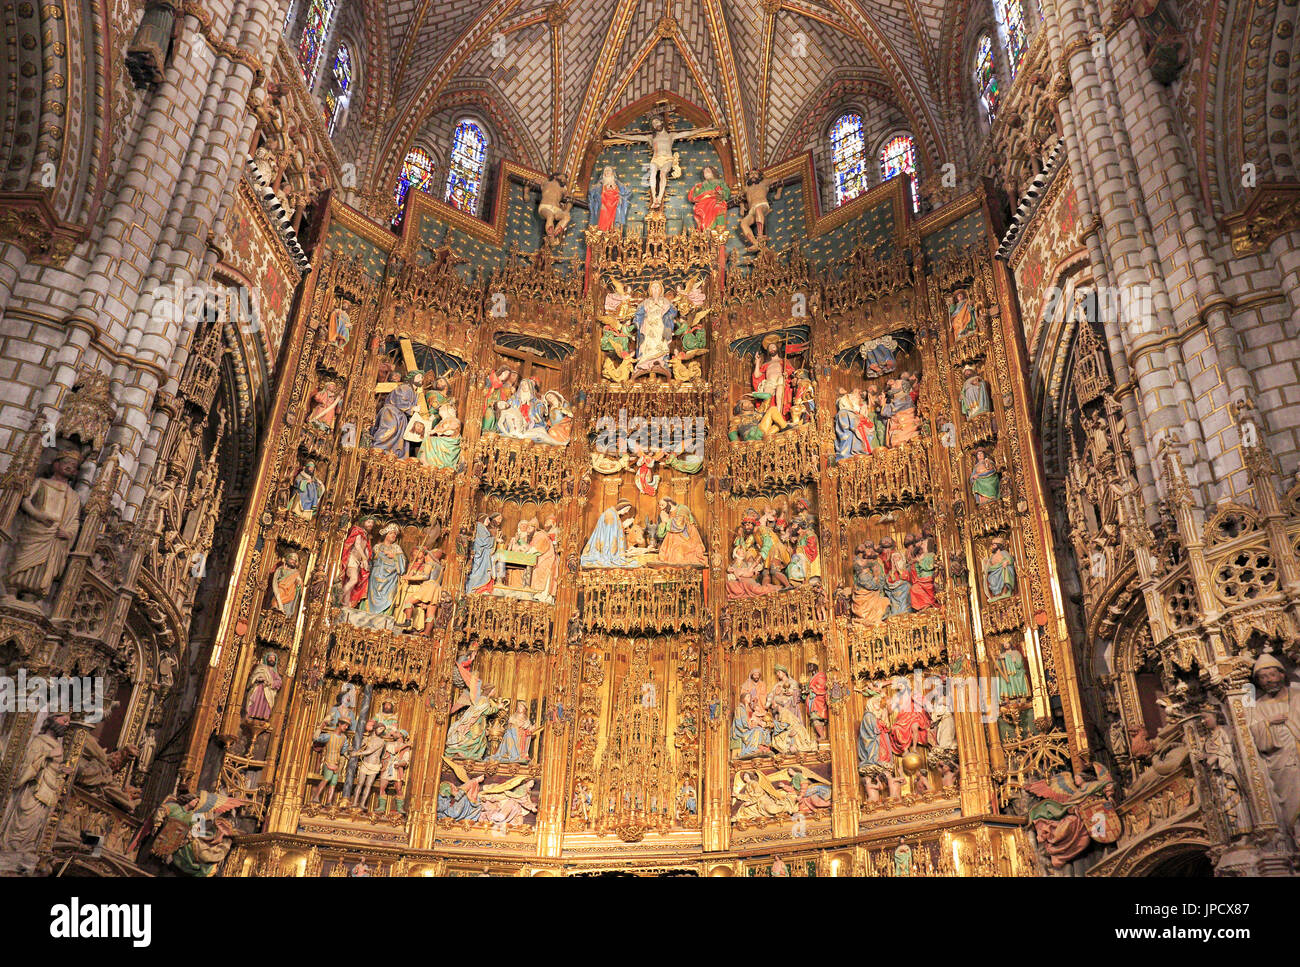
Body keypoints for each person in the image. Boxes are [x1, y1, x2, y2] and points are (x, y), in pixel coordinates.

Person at [7, 451, 83, 600]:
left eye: (73, 466)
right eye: (66, 462)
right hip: (35, 529)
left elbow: (74, 520)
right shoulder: (42, 482)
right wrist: (39, 515)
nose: (69, 467)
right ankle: (11, 590)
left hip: (54, 536)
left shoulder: (73, 496)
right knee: (22, 559)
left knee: (43, 567)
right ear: (56, 464)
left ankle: (32, 595)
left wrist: (67, 533)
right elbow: (26, 502)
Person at [1245, 653, 1300, 840]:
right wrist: (1267, 722)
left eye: (1272, 675)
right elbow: (1253, 735)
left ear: (1282, 674)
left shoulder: (1297, 696)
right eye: (1263, 677)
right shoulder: (1257, 706)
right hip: (1282, 762)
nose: (1269, 680)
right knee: (1292, 800)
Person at [364, 523, 407, 616]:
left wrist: (394, 556)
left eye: (395, 534)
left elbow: (403, 563)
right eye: (391, 533)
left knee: (389, 597)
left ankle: (385, 615)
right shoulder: (377, 547)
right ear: (386, 534)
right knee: (371, 595)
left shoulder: (396, 548)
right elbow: (370, 561)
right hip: (376, 575)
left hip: (390, 578)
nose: (394, 536)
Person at [656, 499, 707, 566]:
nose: (661, 508)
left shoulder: (682, 508)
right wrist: (663, 522)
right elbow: (661, 534)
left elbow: (679, 525)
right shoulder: (666, 513)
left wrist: (667, 520)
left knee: (679, 555)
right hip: (671, 543)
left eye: (662, 505)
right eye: (660, 506)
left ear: (669, 503)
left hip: (687, 540)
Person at [339, 516, 375, 608]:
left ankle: (346, 603)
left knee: (352, 583)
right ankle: (338, 596)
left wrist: (366, 559)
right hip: (352, 559)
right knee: (354, 579)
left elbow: (366, 548)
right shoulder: (358, 531)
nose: (370, 524)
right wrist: (364, 558)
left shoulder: (366, 535)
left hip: (357, 561)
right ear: (363, 522)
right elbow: (358, 546)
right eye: (368, 522)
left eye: (372, 523)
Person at [465, 513, 502, 593]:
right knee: (478, 572)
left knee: (481, 572)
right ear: (483, 519)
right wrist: (495, 540)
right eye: (487, 519)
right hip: (480, 554)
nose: (489, 521)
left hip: (482, 553)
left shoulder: (482, 527)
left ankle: (477, 590)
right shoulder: (480, 527)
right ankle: (474, 589)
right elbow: (484, 541)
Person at [587, 165, 632, 230]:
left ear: (612, 173)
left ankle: (613, 232)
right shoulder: (599, 185)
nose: (607, 172)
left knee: (614, 223)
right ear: (603, 173)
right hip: (604, 206)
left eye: (609, 170)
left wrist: (620, 197)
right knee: (603, 223)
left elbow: (627, 192)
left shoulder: (617, 183)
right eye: (606, 170)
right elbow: (592, 193)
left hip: (615, 206)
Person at [686, 165, 730, 230]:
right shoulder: (701, 185)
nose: (706, 173)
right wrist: (696, 189)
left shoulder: (720, 182)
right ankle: (705, 229)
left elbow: (727, 191)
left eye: (708, 171)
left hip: (716, 200)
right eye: (705, 172)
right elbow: (695, 196)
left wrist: (721, 193)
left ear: (713, 172)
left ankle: (719, 227)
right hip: (704, 203)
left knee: (719, 207)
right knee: (701, 209)